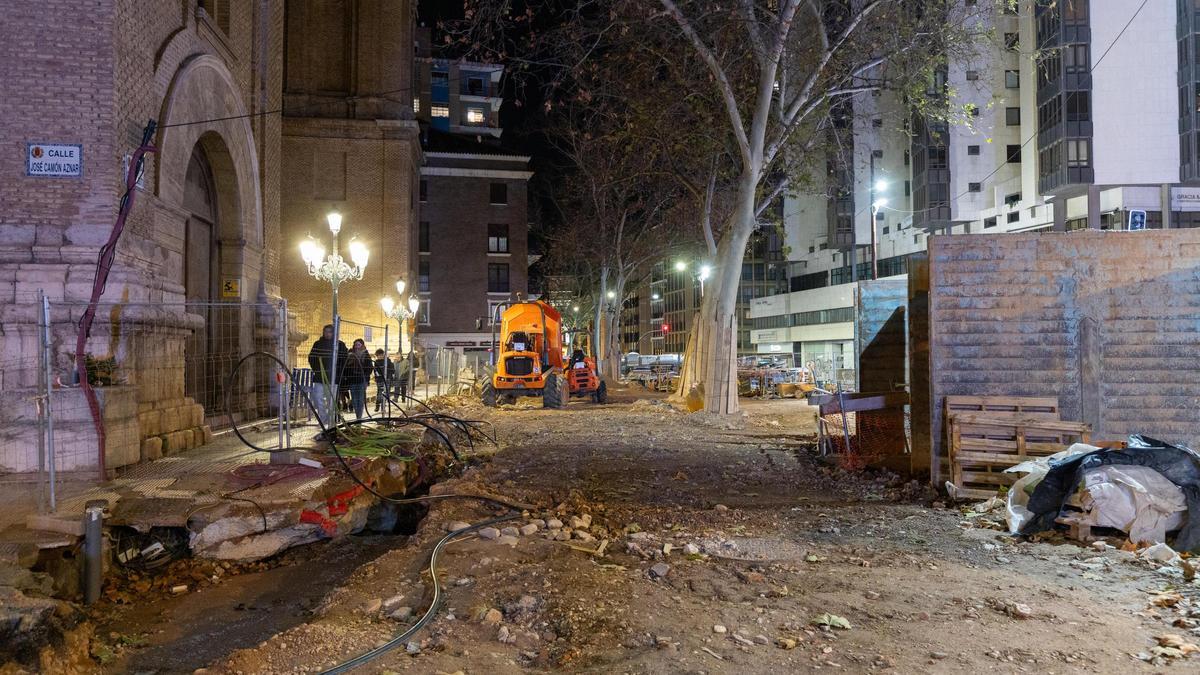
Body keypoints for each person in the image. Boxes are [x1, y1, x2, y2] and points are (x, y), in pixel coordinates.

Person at [307, 324, 348, 426]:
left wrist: (337, 371)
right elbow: (311, 357)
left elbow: (344, 360)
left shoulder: (340, 345)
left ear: (334, 333)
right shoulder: (317, 344)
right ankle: (324, 418)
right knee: (317, 398)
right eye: (325, 331)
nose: (327, 333)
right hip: (319, 377)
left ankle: (331, 421)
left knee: (332, 401)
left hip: (334, 378)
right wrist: (317, 369)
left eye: (329, 331)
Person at [343, 339, 373, 420]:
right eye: (356, 344)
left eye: (358, 345)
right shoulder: (350, 355)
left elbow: (370, 368)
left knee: (360, 399)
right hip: (353, 380)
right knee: (354, 399)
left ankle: (359, 417)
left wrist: (365, 378)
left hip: (362, 381)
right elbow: (346, 368)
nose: (357, 346)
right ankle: (357, 415)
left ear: (362, 345)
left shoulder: (366, 355)